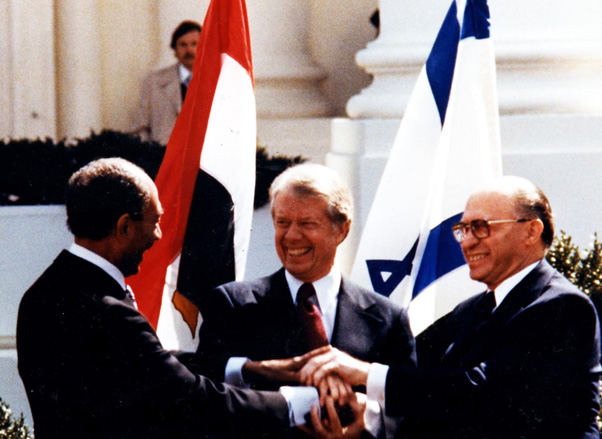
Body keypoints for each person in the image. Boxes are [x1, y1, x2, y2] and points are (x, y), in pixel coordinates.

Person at [16, 158, 356, 439]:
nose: (159, 236)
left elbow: (146, 361)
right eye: (155, 222)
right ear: (123, 227)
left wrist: (253, 369)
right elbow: (189, 396)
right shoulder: (108, 313)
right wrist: (305, 402)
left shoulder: (43, 294)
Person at [299, 176, 602, 439]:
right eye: (463, 229)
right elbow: (410, 364)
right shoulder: (471, 311)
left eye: (481, 227)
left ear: (531, 231)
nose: (466, 242)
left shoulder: (563, 307)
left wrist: (364, 374)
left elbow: (481, 395)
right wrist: (364, 414)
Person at [189, 163, 416, 438]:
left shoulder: (388, 318)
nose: (291, 236)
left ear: (341, 230)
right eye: (282, 223)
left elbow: (410, 411)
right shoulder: (233, 304)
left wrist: (368, 421)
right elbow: (204, 389)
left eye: (307, 224)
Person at [133, 20, 201, 145]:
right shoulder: (154, 82)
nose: (189, 50)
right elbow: (141, 127)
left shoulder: (216, 83)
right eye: (183, 45)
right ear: (175, 50)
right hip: (163, 156)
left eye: (194, 44)